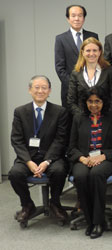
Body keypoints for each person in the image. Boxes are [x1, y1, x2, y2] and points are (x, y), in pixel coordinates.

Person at [9, 75, 69, 224]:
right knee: (15, 174)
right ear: (30, 90)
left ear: (49, 91)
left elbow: (60, 140)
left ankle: (55, 202)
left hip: (52, 157)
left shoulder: (60, 112)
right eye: (36, 87)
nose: (40, 91)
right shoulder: (20, 112)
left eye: (44, 88)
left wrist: (47, 161)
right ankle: (27, 204)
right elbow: (16, 139)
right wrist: (28, 162)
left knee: (59, 170)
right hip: (28, 158)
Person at [67, 87, 112, 239]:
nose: (93, 105)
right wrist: (82, 159)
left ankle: (98, 222)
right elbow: (71, 147)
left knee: (96, 174)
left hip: (107, 159)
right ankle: (89, 219)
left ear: (103, 102)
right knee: (80, 176)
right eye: (90, 101)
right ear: (85, 103)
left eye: (97, 101)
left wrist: (103, 156)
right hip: (84, 158)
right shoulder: (78, 118)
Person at [55, 5, 98, 108]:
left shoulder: (93, 36)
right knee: (71, 121)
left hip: (91, 89)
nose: (77, 18)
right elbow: (60, 68)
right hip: (70, 91)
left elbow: (97, 62)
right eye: (73, 15)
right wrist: (75, 85)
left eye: (80, 15)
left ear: (84, 18)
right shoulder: (60, 39)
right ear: (68, 18)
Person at [67, 37, 112, 116]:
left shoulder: (109, 71)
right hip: (82, 121)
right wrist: (84, 118)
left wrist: (105, 117)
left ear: (100, 52)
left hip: (105, 119)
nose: (91, 54)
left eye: (94, 50)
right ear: (82, 52)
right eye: (88, 50)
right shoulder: (75, 73)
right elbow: (71, 101)